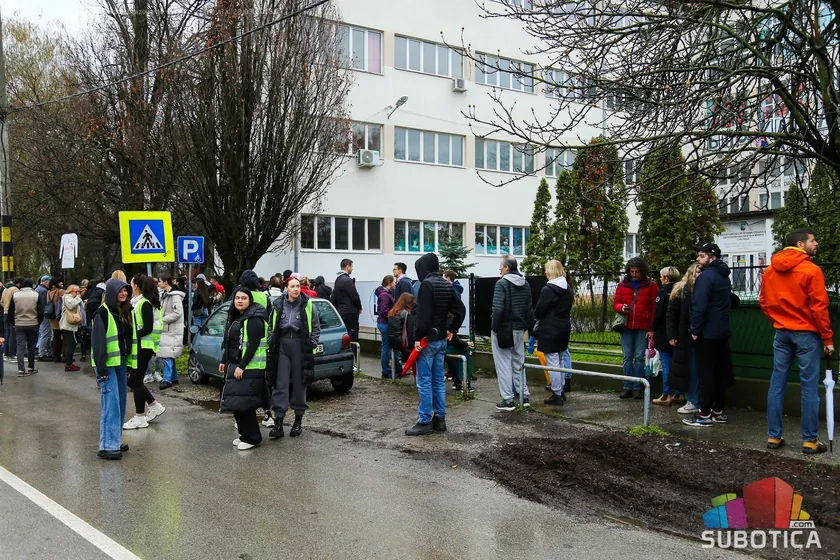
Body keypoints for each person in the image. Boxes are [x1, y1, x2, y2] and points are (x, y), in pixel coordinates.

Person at [761, 228, 834, 454]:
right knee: (809, 387)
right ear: (801, 244)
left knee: (777, 383)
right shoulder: (811, 270)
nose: (817, 243)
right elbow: (819, 307)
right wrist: (827, 338)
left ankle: (774, 437)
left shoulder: (770, 271)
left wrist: (778, 319)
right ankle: (809, 440)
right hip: (806, 334)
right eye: (813, 240)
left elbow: (764, 301)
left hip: (781, 332)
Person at [405, 253, 465, 435]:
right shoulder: (447, 285)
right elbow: (460, 310)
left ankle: (425, 420)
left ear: (423, 268)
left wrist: (417, 337)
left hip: (427, 340)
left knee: (424, 381)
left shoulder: (426, 285)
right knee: (438, 380)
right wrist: (451, 330)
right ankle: (440, 419)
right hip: (441, 340)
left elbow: (423, 315)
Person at [683, 243, 734, 427]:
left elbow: (699, 306)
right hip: (722, 331)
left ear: (712, 257)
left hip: (707, 333)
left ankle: (704, 414)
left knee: (706, 374)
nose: (698, 258)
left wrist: (695, 330)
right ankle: (718, 411)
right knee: (720, 373)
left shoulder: (705, 278)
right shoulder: (724, 277)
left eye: (702, 256)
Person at [268, 276, 320, 440]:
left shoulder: (308, 304)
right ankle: (278, 422)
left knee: (299, 383)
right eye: (292, 286)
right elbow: (271, 326)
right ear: (286, 288)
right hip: (282, 345)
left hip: (300, 345)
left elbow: (316, 327)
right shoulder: (277, 304)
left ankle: (298, 420)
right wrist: (271, 341)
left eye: (298, 286)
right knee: (280, 383)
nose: (296, 289)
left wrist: (311, 344)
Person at [91, 278, 137, 460]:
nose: (124, 294)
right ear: (111, 292)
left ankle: (114, 441)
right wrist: (101, 369)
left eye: (126, 291)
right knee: (111, 404)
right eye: (120, 291)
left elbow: (130, 339)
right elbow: (98, 344)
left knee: (120, 403)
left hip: (121, 363)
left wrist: (130, 364)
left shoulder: (126, 312)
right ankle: (107, 446)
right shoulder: (102, 313)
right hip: (107, 365)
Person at [219, 288, 269, 450]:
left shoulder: (254, 319)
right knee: (236, 402)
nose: (240, 300)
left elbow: (252, 346)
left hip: (250, 367)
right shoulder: (237, 317)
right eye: (237, 298)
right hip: (236, 364)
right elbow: (231, 342)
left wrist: (242, 366)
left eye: (244, 298)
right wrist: (224, 360)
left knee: (245, 404)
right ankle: (244, 434)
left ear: (250, 300)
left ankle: (253, 437)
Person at [491, 255, 535, 412]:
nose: (500, 269)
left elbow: (497, 309)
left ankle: (508, 400)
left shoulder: (501, 284)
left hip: (503, 329)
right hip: (520, 329)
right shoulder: (526, 284)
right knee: (519, 362)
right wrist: (527, 327)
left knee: (503, 364)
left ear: (507, 268)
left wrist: (495, 328)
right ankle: (524, 396)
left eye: (501, 267)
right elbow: (529, 308)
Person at [123, 275, 166, 430]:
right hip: (142, 346)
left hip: (143, 346)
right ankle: (154, 405)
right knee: (134, 381)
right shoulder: (142, 302)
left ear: (136, 286)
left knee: (135, 381)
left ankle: (140, 416)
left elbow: (147, 328)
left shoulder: (144, 303)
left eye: (131, 283)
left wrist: (131, 335)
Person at [612, 257, 658, 400]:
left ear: (642, 271)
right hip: (626, 326)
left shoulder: (651, 286)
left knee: (639, 357)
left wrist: (651, 328)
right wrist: (622, 307)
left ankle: (637, 387)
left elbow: (654, 309)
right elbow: (616, 303)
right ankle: (627, 386)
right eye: (632, 271)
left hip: (642, 327)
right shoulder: (622, 285)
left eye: (637, 271)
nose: (634, 274)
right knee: (627, 357)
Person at [534, 260, 573, 406]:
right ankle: (561, 391)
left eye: (546, 270)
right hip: (564, 327)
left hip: (549, 329)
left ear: (551, 271)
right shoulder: (567, 288)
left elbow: (539, 310)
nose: (545, 272)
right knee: (561, 360)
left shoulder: (548, 290)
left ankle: (556, 393)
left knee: (552, 363)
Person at [667, 264, 703, 414]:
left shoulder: (703, 290)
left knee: (698, 369)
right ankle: (693, 400)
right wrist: (672, 335)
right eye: (698, 272)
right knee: (691, 369)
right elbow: (671, 314)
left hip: (700, 336)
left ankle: (699, 400)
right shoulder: (682, 290)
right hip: (686, 337)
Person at [651, 266, 684, 406]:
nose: (660, 279)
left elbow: (659, 314)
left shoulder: (663, 292)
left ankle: (666, 394)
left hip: (664, 332)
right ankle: (679, 393)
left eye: (661, 276)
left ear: (665, 278)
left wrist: (652, 328)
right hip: (679, 331)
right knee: (677, 363)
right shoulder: (681, 290)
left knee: (666, 363)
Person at [9, 278, 43, 376]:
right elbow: (40, 312)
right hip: (33, 323)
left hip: (19, 323)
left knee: (20, 347)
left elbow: (11, 311)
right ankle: (31, 367)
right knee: (31, 347)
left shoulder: (15, 295)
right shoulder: (36, 295)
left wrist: (14, 322)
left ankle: (21, 369)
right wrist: (38, 322)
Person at [157, 274, 185, 390]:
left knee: (167, 354)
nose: (158, 283)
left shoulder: (175, 296)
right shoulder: (165, 295)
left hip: (172, 329)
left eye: (160, 281)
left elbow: (178, 313)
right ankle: (173, 377)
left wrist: (162, 320)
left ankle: (167, 379)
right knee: (168, 353)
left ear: (166, 282)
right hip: (169, 329)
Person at [331, 259, 362, 344]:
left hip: (341, 311)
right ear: (347, 266)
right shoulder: (347, 280)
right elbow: (354, 296)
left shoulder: (338, 280)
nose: (352, 269)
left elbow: (334, 297)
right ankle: (353, 355)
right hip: (350, 312)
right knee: (352, 337)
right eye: (351, 266)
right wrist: (359, 307)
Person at [375, 275, 398, 378]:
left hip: (383, 323)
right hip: (385, 323)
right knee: (386, 347)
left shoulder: (384, 294)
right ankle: (386, 370)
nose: (395, 283)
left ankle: (388, 369)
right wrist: (393, 315)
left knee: (386, 347)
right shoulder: (385, 295)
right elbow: (384, 311)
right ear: (389, 282)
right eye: (394, 282)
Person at [387, 293, 416, 376]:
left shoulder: (392, 312)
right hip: (402, 342)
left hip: (392, 341)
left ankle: (402, 368)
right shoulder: (406, 313)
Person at [59, 284, 84, 372]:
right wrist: (78, 298)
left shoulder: (71, 297)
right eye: (75, 291)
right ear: (70, 291)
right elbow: (71, 305)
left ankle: (69, 362)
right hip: (69, 325)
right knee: (71, 344)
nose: (77, 293)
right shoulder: (67, 297)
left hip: (72, 325)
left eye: (79, 291)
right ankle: (68, 364)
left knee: (72, 343)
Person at [2, 277, 20, 363]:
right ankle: (12, 353)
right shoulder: (15, 290)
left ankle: (6, 352)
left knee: (7, 333)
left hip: (5, 312)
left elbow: (1, 301)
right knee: (13, 333)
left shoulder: (6, 289)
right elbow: (18, 302)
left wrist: (6, 307)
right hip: (12, 313)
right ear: (19, 283)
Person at [48, 280, 65, 363]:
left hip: (52, 316)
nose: (62, 283)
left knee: (55, 336)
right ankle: (64, 355)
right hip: (59, 316)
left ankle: (55, 355)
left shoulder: (48, 292)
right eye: (60, 282)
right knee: (64, 336)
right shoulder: (60, 291)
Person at [35, 275, 52, 359]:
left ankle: (46, 351)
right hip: (45, 314)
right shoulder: (44, 291)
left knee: (42, 333)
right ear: (46, 282)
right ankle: (42, 353)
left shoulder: (37, 289)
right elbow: (45, 304)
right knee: (46, 333)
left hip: (39, 314)